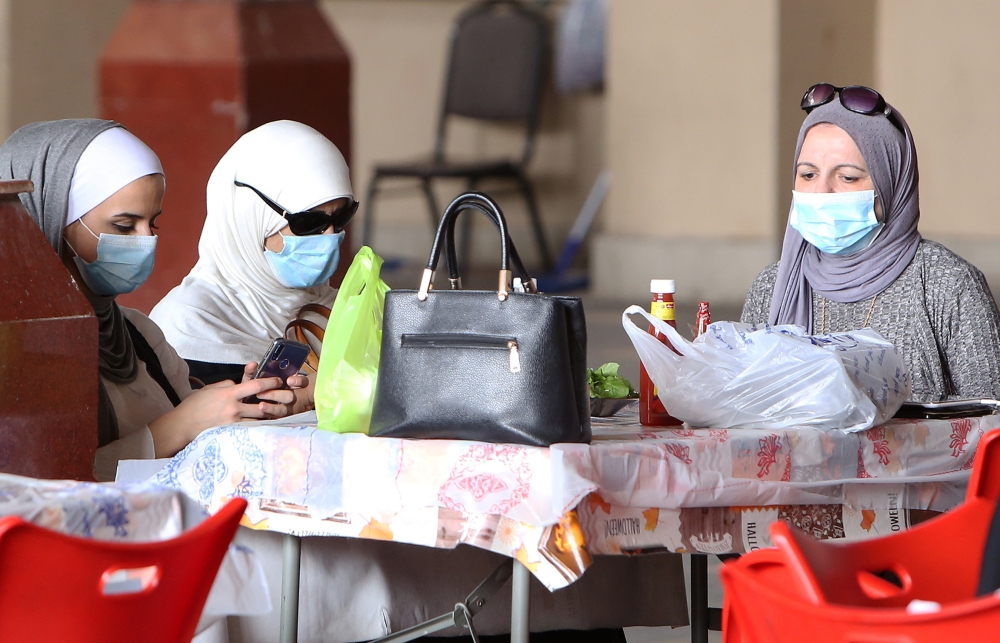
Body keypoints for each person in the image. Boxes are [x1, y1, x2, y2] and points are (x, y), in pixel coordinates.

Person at [0, 119, 304, 481]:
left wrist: (241, 405)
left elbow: (192, 424)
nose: (146, 241)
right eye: (124, 227)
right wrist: (177, 428)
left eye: (153, 224)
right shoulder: (16, 351)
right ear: (46, 219)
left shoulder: (136, 334)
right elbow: (36, 484)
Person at [742, 83, 1000, 402]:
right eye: (807, 175)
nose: (821, 192)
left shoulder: (947, 285)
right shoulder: (773, 287)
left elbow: (992, 423)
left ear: (892, 182)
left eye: (847, 177)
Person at [150, 120, 356, 389]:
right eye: (308, 223)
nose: (330, 236)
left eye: (341, 218)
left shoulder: (344, 311)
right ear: (250, 218)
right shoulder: (188, 325)